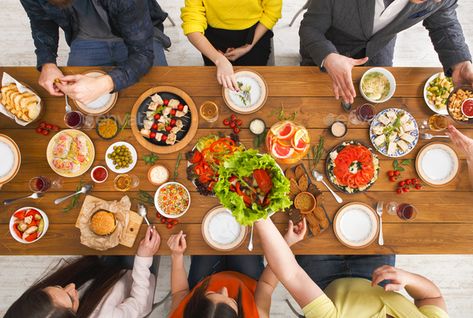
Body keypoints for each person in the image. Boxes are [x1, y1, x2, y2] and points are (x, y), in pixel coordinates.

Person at [255, 218, 449, 318]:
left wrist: (259, 215)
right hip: (376, 275)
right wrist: (409, 279)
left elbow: (291, 273)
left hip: (324, 279)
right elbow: (432, 297)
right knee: (370, 209)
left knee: (314, 217)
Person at [299, 0, 473, 104]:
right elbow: (310, 28)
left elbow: (444, 23)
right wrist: (327, 57)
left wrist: (460, 62)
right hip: (331, 43)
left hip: (380, 44)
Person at [20, 0, 170, 105]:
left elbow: (143, 53)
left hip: (135, 34)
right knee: (80, 106)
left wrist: (106, 83)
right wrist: (47, 62)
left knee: (161, 98)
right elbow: (40, 18)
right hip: (84, 38)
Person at [5, 226, 161, 318]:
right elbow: (140, 303)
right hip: (137, 278)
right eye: (70, 298)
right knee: (148, 238)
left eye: (59, 287)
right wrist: (143, 259)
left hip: (104, 273)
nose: (72, 286)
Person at [167, 220, 305, 318]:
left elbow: (179, 292)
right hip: (247, 280)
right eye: (233, 301)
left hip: (204, 280)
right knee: (244, 229)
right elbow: (266, 285)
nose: (225, 290)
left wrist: (177, 255)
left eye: (210, 294)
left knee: (205, 233)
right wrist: (285, 245)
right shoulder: (257, 315)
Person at [181, 0, 282, 91]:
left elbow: (272, 11)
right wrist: (217, 58)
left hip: (255, 32)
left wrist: (248, 46)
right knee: (217, 86)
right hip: (214, 36)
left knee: (254, 84)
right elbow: (191, 22)